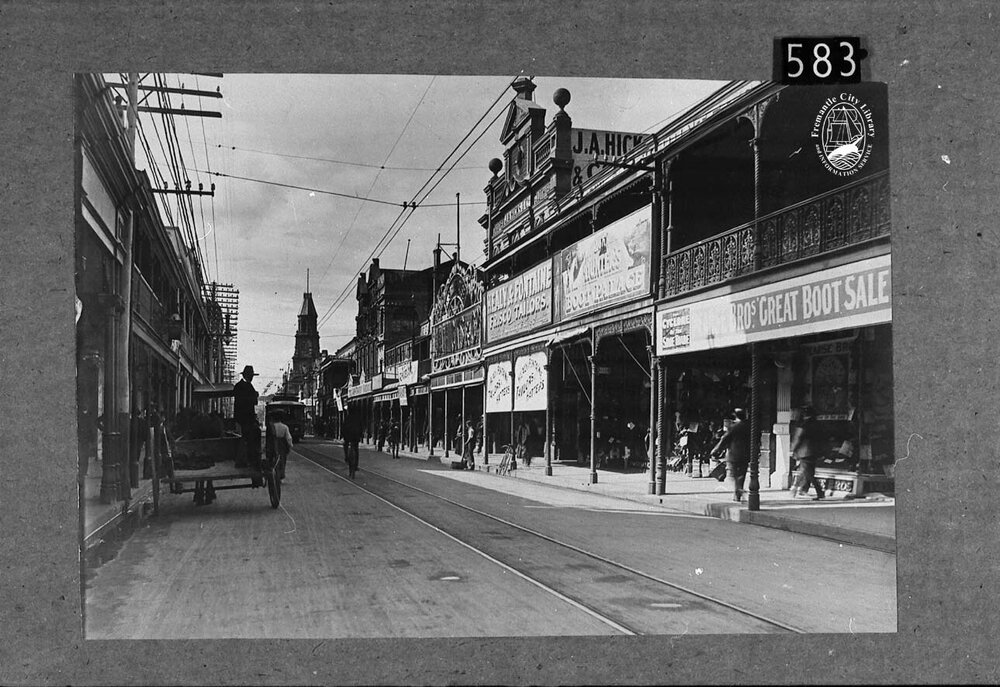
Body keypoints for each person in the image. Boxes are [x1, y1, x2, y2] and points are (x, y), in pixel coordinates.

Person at [711, 408, 751, 502]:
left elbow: (724, 439)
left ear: (736, 416)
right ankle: (738, 491)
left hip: (734, 454)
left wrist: (716, 449)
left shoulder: (733, 427)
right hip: (745, 454)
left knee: (733, 474)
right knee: (742, 473)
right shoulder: (749, 427)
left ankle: (737, 491)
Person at [233, 364, 262, 486]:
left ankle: (252, 458)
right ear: (247, 376)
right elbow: (252, 401)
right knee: (253, 437)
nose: (251, 378)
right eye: (250, 376)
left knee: (252, 436)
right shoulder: (245, 386)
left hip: (244, 419)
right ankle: (251, 460)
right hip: (244, 419)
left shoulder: (241, 386)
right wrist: (255, 395)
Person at [790, 406, 825, 500]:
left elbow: (798, 438)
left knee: (806, 472)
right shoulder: (817, 424)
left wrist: (793, 449)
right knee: (809, 472)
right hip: (814, 451)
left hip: (805, 451)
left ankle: (798, 489)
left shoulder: (803, 425)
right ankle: (806, 489)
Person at [268, 411, 294, 480]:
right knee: (282, 460)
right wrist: (290, 445)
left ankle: (272, 474)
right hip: (282, 446)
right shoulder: (285, 427)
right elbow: (288, 438)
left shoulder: (271, 426)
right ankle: (280, 475)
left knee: (272, 460)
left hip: (272, 445)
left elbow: (268, 438)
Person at [341, 407, 363, 479]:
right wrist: (360, 436)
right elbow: (361, 428)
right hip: (355, 437)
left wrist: (343, 436)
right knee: (356, 450)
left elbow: (343, 428)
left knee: (346, 446)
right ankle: (356, 466)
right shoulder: (358, 419)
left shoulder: (347, 418)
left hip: (348, 437)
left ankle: (346, 457)